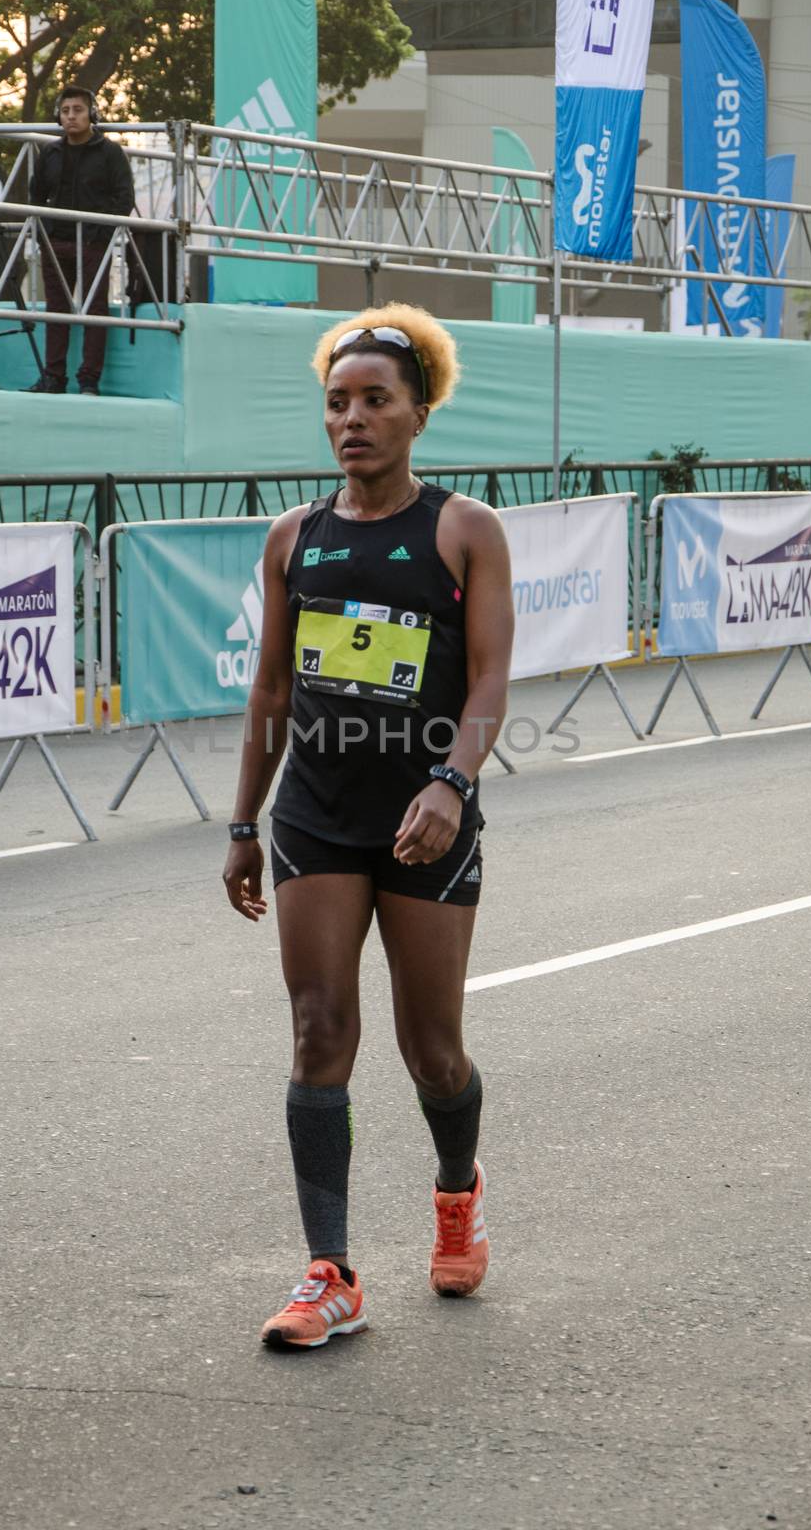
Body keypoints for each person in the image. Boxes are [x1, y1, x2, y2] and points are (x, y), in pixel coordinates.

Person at [222, 303, 513, 1349]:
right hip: (314, 815)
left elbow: (487, 680)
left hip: (426, 817)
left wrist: (452, 780)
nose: (352, 419)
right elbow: (268, 687)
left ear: (417, 414)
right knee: (318, 1029)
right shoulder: (293, 537)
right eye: (337, 401)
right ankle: (331, 1273)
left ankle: (455, 1189)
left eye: (375, 400)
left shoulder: (462, 530)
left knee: (431, 1050)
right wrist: (243, 820)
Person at [26, 85, 134, 396]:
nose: (71, 116)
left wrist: (101, 235)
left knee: (94, 311)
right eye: (65, 111)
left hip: (92, 244)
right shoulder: (51, 152)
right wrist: (45, 233)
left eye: (78, 110)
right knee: (55, 311)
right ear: (58, 117)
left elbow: (124, 197)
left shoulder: (110, 152)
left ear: (92, 114)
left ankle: (89, 380)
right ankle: (53, 378)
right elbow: (35, 196)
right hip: (56, 242)